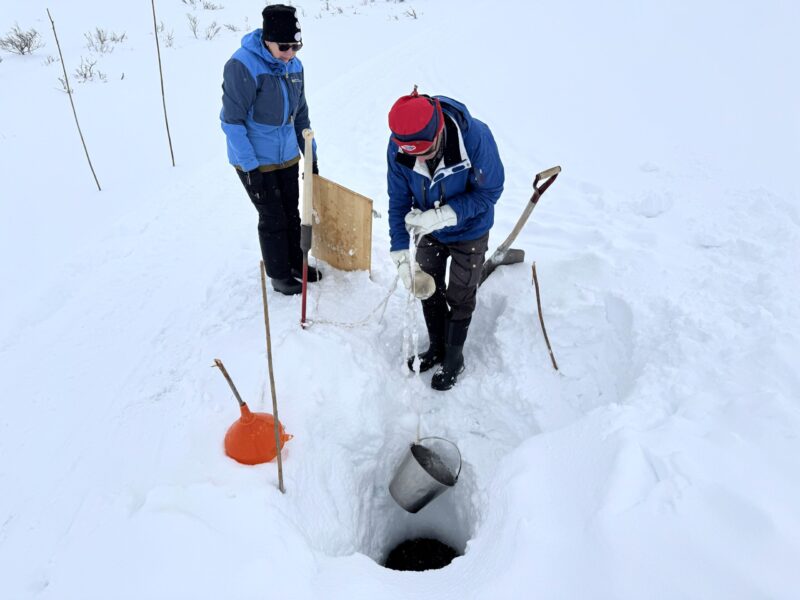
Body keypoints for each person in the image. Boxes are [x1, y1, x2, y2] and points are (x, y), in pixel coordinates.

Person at [387, 87, 505, 391]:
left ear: (438, 131)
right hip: (430, 231)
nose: (422, 162)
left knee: (461, 292)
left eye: (426, 153)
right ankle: (437, 346)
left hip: (471, 230)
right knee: (427, 286)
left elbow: (490, 191)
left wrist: (445, 215)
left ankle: (454, 357)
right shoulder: (399, 147)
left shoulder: (474, 137)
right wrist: (399, 251)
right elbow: (398, 201)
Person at [220, 4, 320, 295]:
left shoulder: (295, 66)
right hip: (255, 159)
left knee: (292, 212)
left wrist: (310, 154)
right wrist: (250, 168)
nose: (290, 53)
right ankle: (279, 274)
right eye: (284, 46)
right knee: (272, 216)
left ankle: (295, 262)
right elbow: (232, 122)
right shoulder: (242, 66)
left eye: (296, 46)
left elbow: (301, 114)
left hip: (286, 154)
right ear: (267, 39)